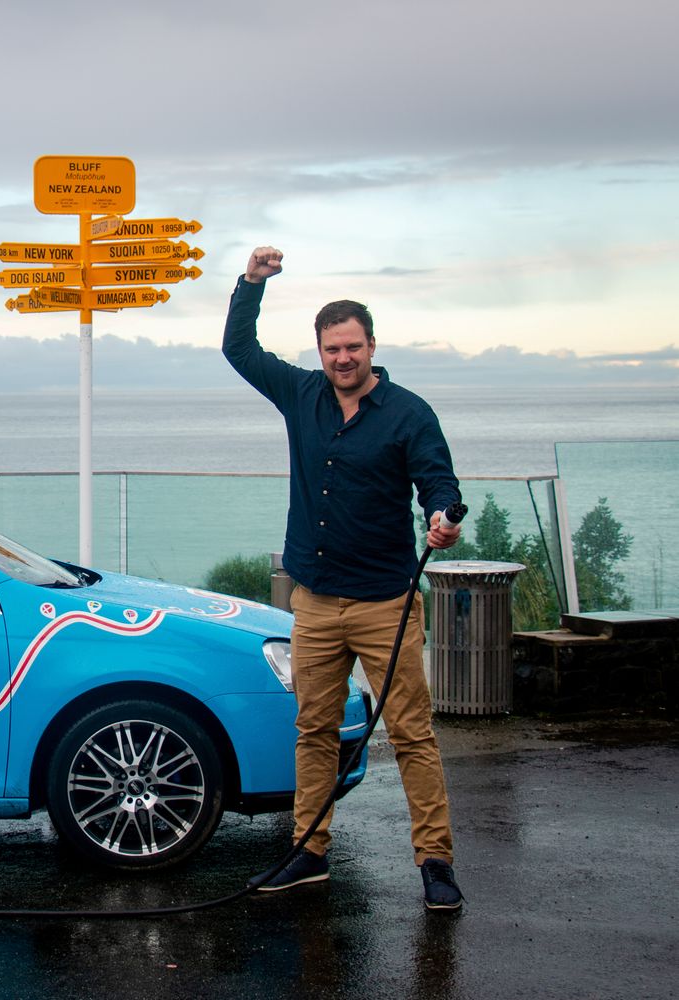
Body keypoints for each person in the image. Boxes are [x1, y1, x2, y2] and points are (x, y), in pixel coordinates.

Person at [222, 246, 465, 911]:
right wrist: (249, 286)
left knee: (411, 733)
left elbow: (436, 482)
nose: (342, 358)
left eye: (352, 347)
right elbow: (239, 350)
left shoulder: (409, 414)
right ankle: (309, 851)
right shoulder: (302, 394)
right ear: (320, 351)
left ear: (371, 346)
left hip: (386, 602)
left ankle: (435, 861)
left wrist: (443, 517)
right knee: (315, 730)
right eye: (332, 349)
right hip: (316, 603)